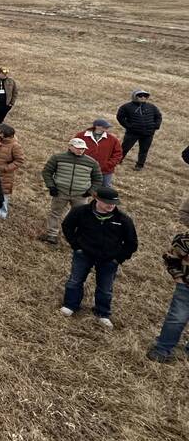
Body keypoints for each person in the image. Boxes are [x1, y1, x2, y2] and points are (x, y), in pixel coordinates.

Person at [59, 186, 137, 328]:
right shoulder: (81, 212)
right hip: (84, 254)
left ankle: (102, 313)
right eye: (107, 202)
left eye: (114, 203)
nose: (111, 205)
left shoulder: (123, 220)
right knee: (75, 281)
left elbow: (132, 243)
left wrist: (118, 258)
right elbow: (67, 226)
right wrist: (77, 246)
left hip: (109, 260)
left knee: (105, 288)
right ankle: (70, 305)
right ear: (96, 199)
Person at [147, 196, 189, 362]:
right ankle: (163, 349)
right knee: (176, 319)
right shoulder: (185, 239)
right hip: (186, 286)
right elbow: (171, 258)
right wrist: (178, 277)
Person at [41, 138, 103, 244]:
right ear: (70, 147)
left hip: (81, 195)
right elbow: (47, 172)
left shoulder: (92, 162)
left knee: (80, 216)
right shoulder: (57, 158)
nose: (81, 150)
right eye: (78, 148)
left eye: (83, 148)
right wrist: (51, 187)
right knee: (55, 213)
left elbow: (98, 179)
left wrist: (90, 191)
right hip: (60, 192)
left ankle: (75, 236)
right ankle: (52, 235)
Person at [116, 88, 162, 170]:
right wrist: (129, 126)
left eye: (145, 96)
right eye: (140, 95)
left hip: (148, 133)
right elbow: (120, 117)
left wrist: (155, 126)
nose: (143, 97)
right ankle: (118, 160)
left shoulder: (151, 107)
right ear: (135, 96)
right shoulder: (126, 107)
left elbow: (158, 116)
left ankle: (139, 165)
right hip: (132, 133)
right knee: (125, 147)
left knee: (144, 150)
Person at [0, 124, 25, 218]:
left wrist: (6, 168)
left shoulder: (15, 146)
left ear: (5, 134)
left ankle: (0, 214)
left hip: (4, 176)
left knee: (2, 194)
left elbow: (19, 160)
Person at [78, 119, 122, 187]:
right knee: (81, 187)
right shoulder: (81, 136)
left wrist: (108, 165)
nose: (108, 128)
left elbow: (118, 154)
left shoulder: (113, 139)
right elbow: (73, 148)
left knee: (105, 189)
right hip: (84, 168)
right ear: (97, 126)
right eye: (105, 127)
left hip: (105, 171)